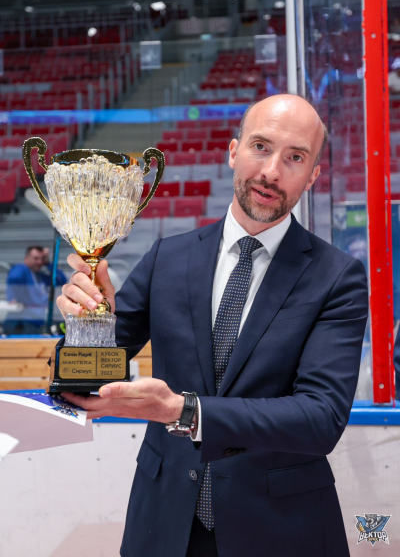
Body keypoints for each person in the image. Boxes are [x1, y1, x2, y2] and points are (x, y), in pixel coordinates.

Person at [58, 95, 369, 557]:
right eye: (260, 147)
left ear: (312, 175)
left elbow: (320, 418)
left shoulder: (337, 277)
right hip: (164, 525)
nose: (271, 172)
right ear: (233, 152)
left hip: (281, 530)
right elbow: (81, 383)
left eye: (295, 158)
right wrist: (90, 322)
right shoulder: (167, 258)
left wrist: (184, 411)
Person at [5, 245, 67, 334]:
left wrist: (48, 263)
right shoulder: (22, 269)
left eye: (42, 259)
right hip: (22, 323)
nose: (39, 262)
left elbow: (61, 280)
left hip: (37, 322)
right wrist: (17, 298)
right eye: (36, 258)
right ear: (26, 259)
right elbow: (14, 277)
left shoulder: (40, 277)